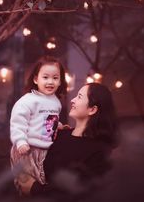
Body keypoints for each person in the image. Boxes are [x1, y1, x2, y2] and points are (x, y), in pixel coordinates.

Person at [18, 83, 119, 197]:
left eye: (79, 96)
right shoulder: (59, 134)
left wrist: (35, 189)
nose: (72, 100)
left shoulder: (99, 151)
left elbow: (80, 192)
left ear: (92, 109)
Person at [10, 56, 67, 193]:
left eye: (55, 78)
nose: (50, 81)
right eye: (45, 77)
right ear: (36, 79)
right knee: (27, 184)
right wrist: (20, 141)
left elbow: (47, 119)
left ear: (60, 81)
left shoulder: (56, 102)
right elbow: (18, 123)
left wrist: (58, 125)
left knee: (42, 181)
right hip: (27, 149)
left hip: (45, 150)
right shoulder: (28, 101)